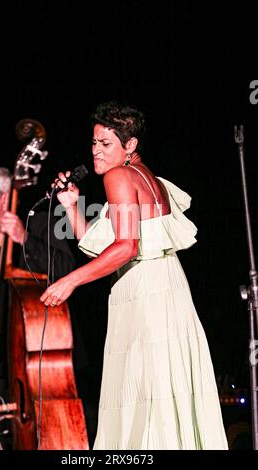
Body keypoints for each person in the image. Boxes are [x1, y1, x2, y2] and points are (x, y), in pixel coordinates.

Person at [40, 100, 228, 450]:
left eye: (106, 144)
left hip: (145, 295)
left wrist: (70, 281)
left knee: (145, 397)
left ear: (130, 145)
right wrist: (71, 205)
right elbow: (103, 243)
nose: (95, 151)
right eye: (94, 143)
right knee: (160, 395)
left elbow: (126, 248)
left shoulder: (118, 176)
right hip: (165, 287)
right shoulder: (150, 179)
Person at [0, 166, 76, 416]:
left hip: (42, 358)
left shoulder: (41, 222)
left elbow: (65, 270)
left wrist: (24, 239)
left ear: (4, 196)